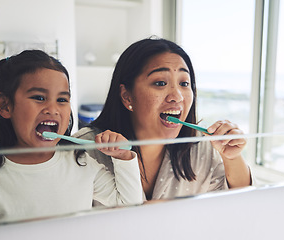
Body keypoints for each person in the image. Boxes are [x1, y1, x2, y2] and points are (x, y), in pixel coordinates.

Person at [0, 50, 142, 225]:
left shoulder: (81, 162)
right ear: (5, 105)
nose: (53, 109)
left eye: (62, 100)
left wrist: (123, 157)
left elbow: (129, 204)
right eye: (39, 97)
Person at [73, 37, 253, 201]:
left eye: (184, 83)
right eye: (160, 83)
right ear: (127, 96)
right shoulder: (85, 149)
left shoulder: (201, 149)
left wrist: (233, 158)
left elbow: (241, 202)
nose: (177, 96)